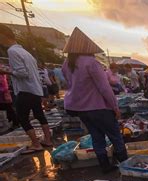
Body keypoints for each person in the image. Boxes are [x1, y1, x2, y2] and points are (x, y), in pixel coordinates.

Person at [61, 27, 128, 173]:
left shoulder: (67, 64)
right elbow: (105, 88)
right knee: (115, 136)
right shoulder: (91, 62)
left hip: (81, 109)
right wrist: (115, 108)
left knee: (97, 137)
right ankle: (126, 165)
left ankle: (105, 166)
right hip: (99, 108)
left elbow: (70, 84)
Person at [0, 24, 53, 153]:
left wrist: (7, 72)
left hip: (25, 90)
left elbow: (23, 73)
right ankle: (47, 140)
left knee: (22, 117)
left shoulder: (12, 51)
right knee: (40, 115)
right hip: (35, 89)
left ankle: (36, 144)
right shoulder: (26, 52)